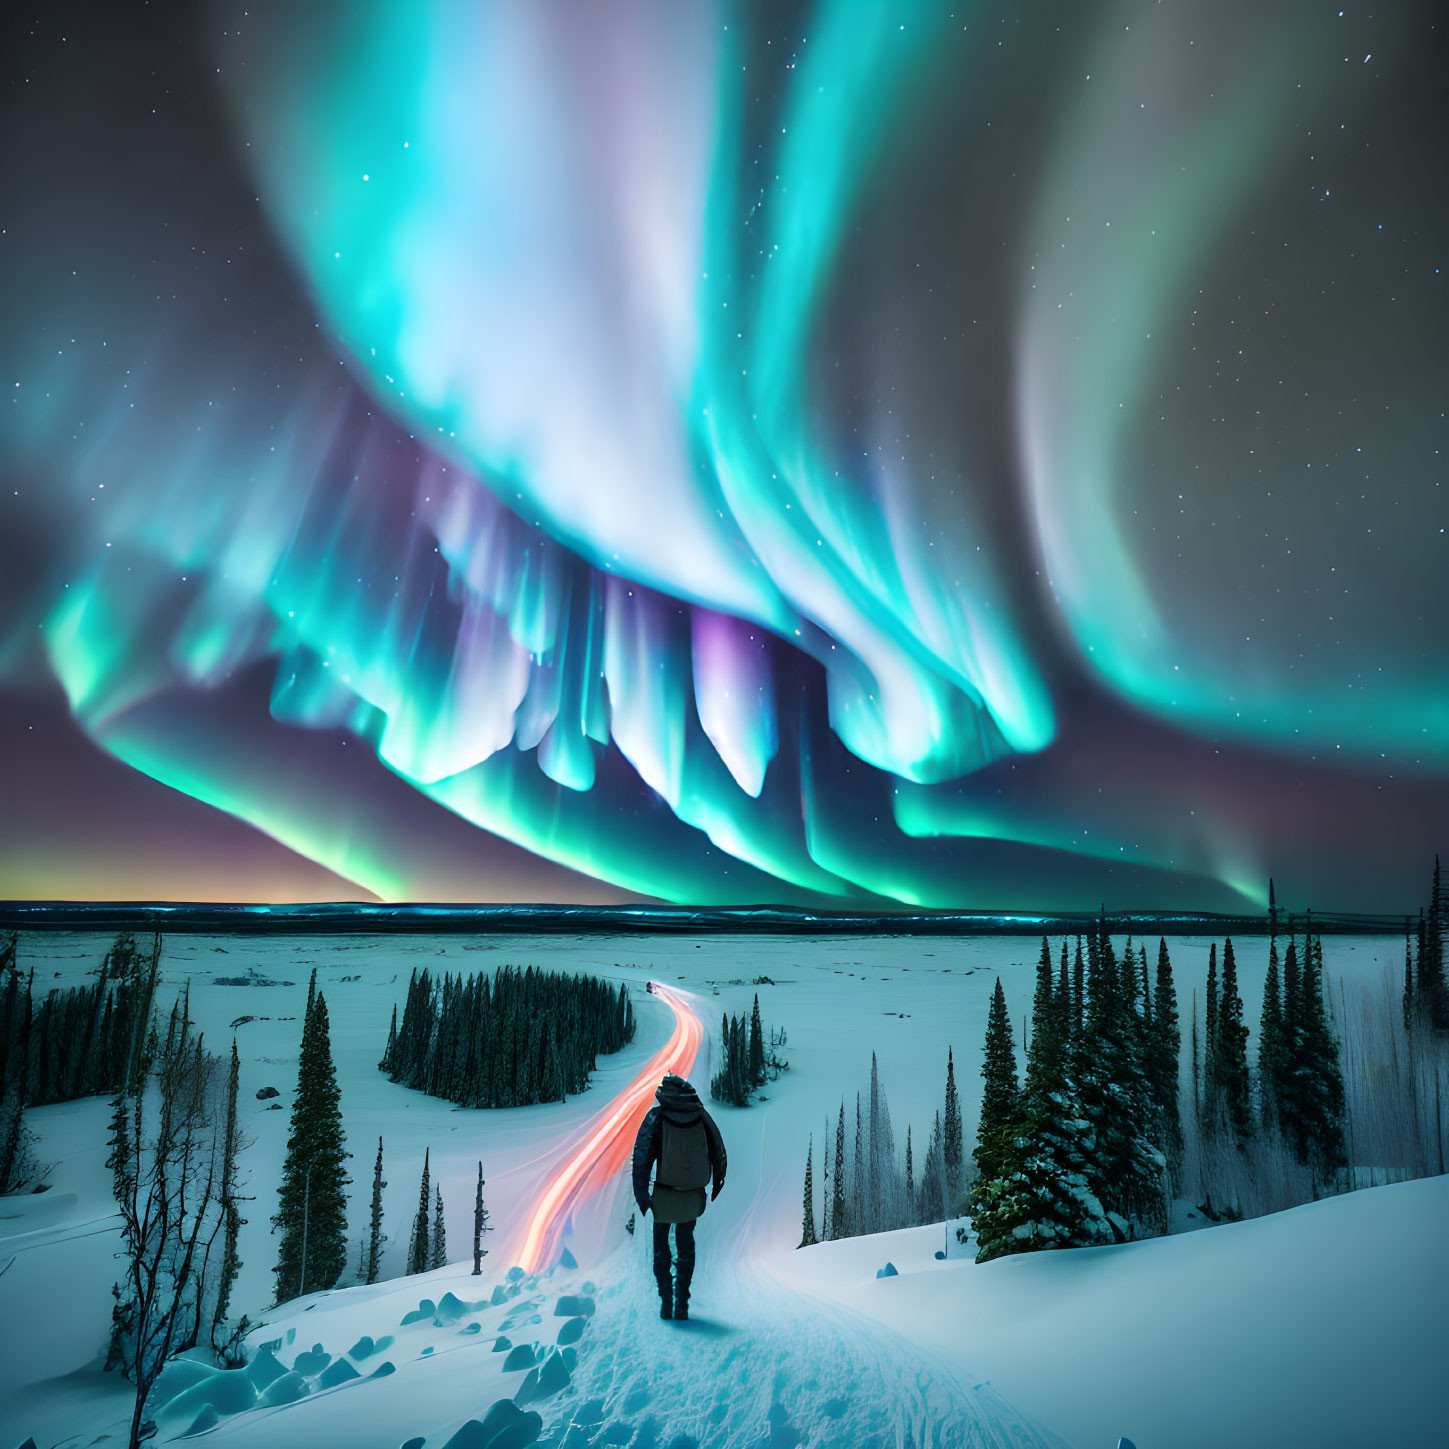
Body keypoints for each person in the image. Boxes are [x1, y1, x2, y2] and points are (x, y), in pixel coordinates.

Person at [631, 1072, 726, 1320]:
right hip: (693, 1196)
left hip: (664, 1195)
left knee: (661, 1247)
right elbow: (718, 1150)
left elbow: (641, 1157)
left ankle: (666, 1301)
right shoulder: (700, 1115)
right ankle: (682, 1302)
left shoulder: (658, 1117)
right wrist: (716, 1185)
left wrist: (642, 1196)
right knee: (686, 1244)